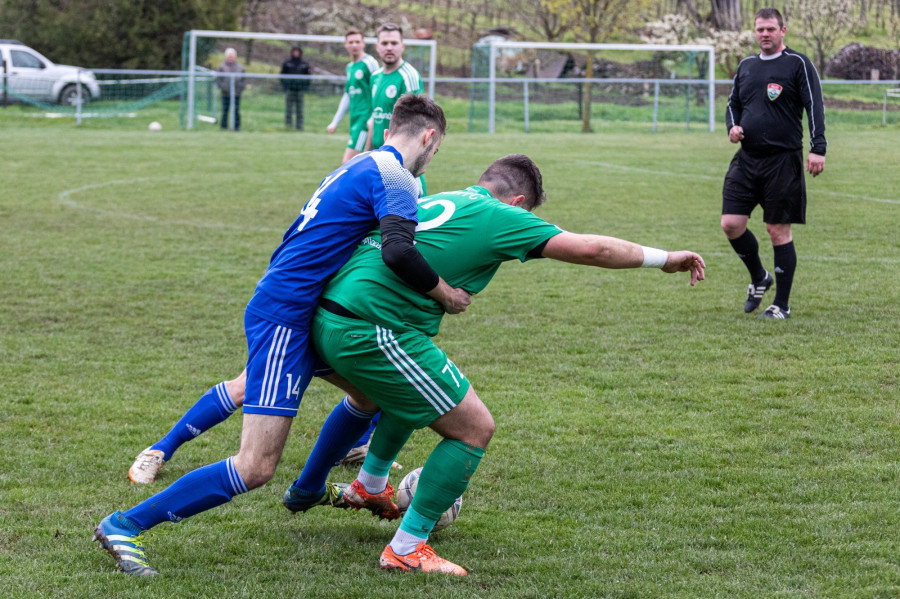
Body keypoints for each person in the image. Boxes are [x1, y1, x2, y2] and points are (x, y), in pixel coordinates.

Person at [94, 95, 472, 576]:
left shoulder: (359, 165)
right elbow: (398, 252)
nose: (431, 160)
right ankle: (124, 524)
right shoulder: (398, 176)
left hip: (309, 310)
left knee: (371, 393)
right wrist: (445, 294)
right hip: (287, 318)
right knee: (255, 466)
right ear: (429, 136)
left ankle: (314, 488)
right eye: (436, 152)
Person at [280, 154, 706, 574]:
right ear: (519, 202)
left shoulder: (444, 198)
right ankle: (406, 549)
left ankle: (368, 488)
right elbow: (592, 248)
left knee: (402, 395)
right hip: (372, 328)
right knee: (473, 429)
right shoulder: (501, 215)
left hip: (330, 317)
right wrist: (664, 258)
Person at [722, 7, 826, 320]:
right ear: (755, 32)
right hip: (747, 158)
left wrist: (817, 148)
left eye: (770, 29)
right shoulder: (746, 65)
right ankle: (759, 277)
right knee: (731, 224)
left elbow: (815, 106)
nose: (765, 34)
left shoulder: (797, 63)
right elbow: (732, 104)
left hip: (783, 160)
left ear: (783, 30)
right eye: (760, 29)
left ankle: (781, 304)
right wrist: (733, 126)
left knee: (777, 230)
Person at [327, 28, 380, 163]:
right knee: (361, 166)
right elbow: (347, 95)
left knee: (348, 163)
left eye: (357, 41)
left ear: (363, 43)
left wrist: (373, 118)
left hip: (365, 120)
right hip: (354, 121)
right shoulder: (350, 67)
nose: (354, 45)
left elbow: (379, 89)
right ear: (346, 45)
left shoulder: (369, 63)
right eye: (351, 42)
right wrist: (335, 122)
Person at [281, 46, 311, 130]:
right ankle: (288, 126)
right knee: (288, 109)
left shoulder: (304, 64)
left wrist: (305, 87)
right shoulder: (287, 63)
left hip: (300, 90)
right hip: (290, 89)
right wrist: (285, 86)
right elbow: (282, 75)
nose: (296, 53)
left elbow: (308, 77)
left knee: (299, 110)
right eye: (294, 51)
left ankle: (299, 127)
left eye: (297, 51)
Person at [216, 48, 246, 131]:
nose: (230, 57)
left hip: (236, 93)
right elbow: (218, 79)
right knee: (225, 110)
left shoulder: (240, 67)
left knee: (236, 110)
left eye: (232, 56)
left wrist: (239, 89)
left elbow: (243, 80)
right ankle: (224, 127)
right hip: (225, 93)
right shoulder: (221, 67)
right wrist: (223, 87)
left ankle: (237, 127)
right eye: (229, 56)